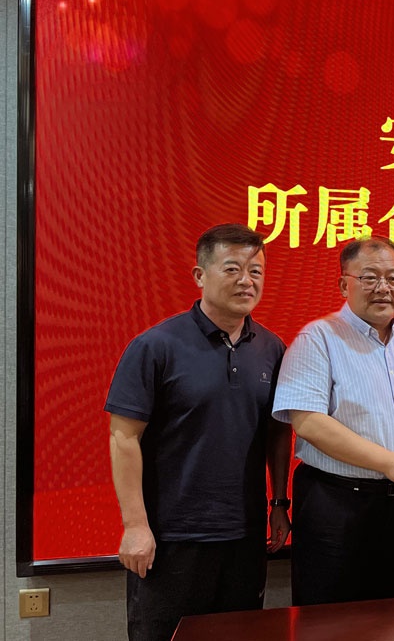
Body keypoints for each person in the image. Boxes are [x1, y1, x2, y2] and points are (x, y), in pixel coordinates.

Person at [106, 223, 291, 641]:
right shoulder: (155, 346)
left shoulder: (272, 349)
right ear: (199, 275)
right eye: (232, 269)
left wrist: (279, 502)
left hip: (244, 536)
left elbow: (278, 434)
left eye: (256, 271)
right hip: (172, 537)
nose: (246, 281)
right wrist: (135, 525)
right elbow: (124, 437)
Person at [272, 236, 394, 606]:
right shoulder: (318, 338)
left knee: (392, 613)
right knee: (329, 618)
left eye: (393, 278)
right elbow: (309, 422)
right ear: (344, 284)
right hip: (337, 503)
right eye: (369, 277)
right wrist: (387, 461)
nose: (383, 288)